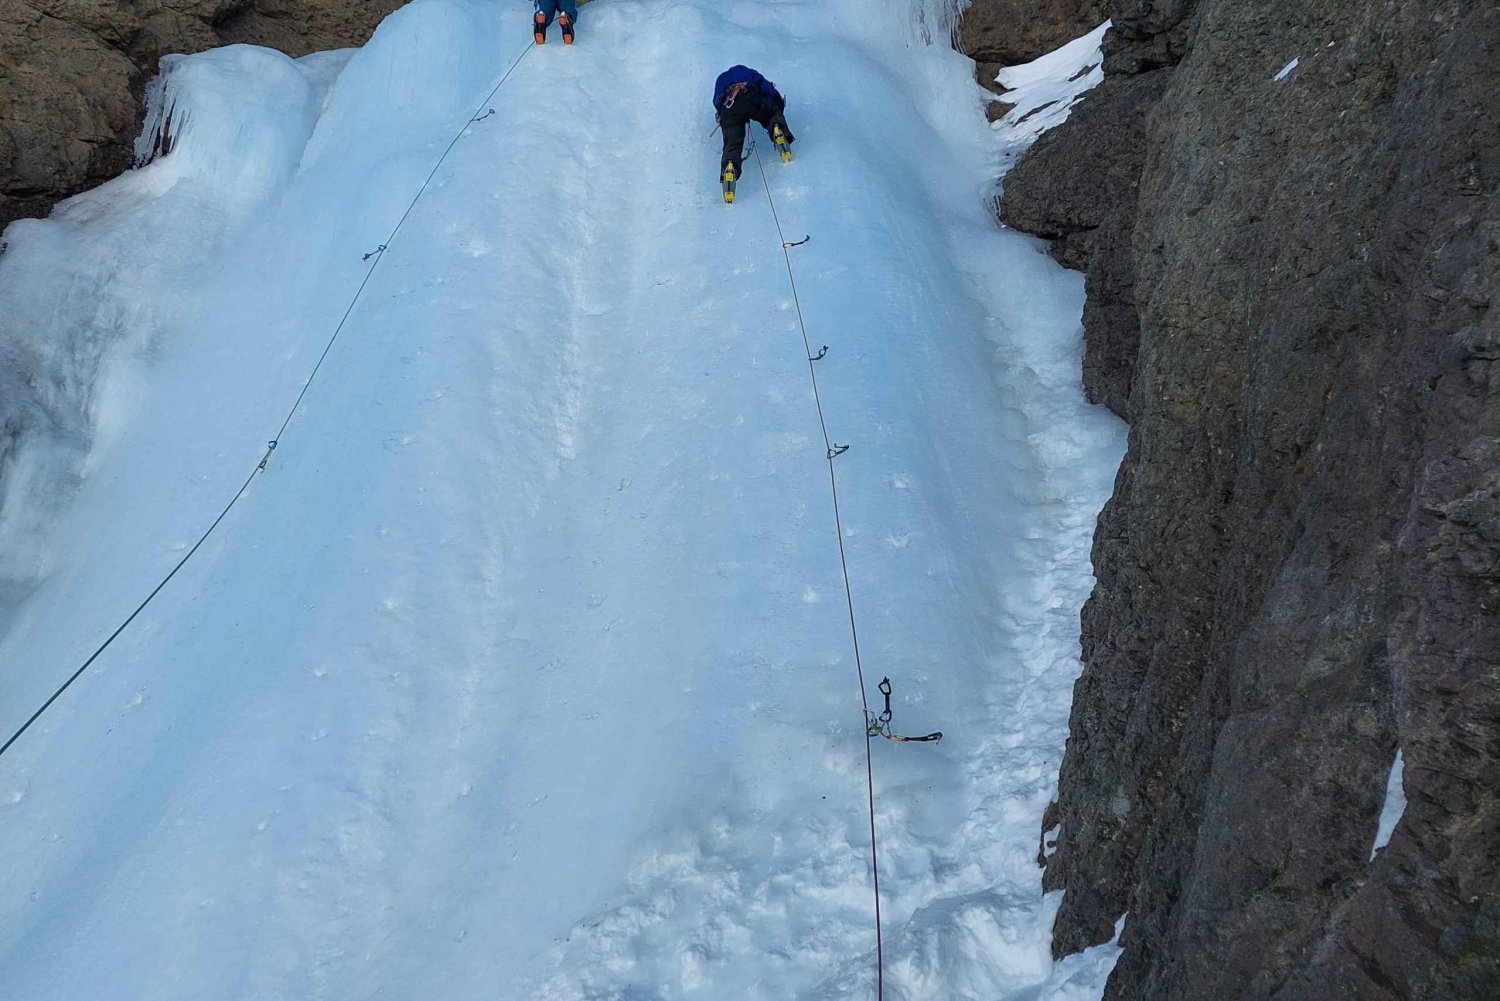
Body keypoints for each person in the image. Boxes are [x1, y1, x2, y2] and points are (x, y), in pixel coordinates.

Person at [713, 65, 795, 199]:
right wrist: (778, 108)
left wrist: (724, 118)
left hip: (729, 106)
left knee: (732, 143)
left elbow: (717, 103)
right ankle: (777, 129)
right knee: (770, 115)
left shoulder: (720, 79)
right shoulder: (749, 73)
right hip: (749, 95)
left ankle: (730, 166)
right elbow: (768, 89)